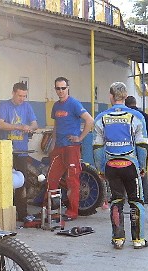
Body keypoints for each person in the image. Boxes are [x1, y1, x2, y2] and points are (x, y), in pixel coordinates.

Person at [93, 82, 148, 250]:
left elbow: (97, 147)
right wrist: (143, 166)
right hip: (131, 164)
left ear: (111, 96)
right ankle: (138, 240)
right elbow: (142, 145)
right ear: (125, 96)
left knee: (116, 201)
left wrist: (100, 169)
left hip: (111, 165)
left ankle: (118, 239)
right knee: (136, 201)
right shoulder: (136, 117)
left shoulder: (101, 118)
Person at [48, 76, 94, 220]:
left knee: (72, 181)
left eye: (63, 88)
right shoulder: (56, 106)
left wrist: (80, 138)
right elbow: (56, 126)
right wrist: (53, 144)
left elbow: (90, 120)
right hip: (59, 148)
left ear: (68, 88)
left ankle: (72, 212)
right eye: (58, 88)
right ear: (55, 89)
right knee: (51, 179)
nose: (60, 91)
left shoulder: (74, 103)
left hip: (72, 148)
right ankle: (52, 210)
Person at [0, 82, 38, 222]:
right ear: (13, 93)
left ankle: (22, 213)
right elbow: (0, 124)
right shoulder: (4, 105)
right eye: (20, 95)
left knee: (21, 182)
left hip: (22, 150)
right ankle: (6, 213)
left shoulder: (27, 107)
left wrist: (30, 128)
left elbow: (35, 124)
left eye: (24, 96)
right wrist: (20, 127)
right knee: (5, 182)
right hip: (6, 150)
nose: (22, 99)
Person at [126, 95, 148, 201]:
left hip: (128, 148)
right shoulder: (143, 115)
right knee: (142, 171)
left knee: (126, 171)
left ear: (126, 104)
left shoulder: (125, 115)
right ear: (135, 103)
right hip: (143, 147)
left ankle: (129, 195)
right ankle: (145, 197)